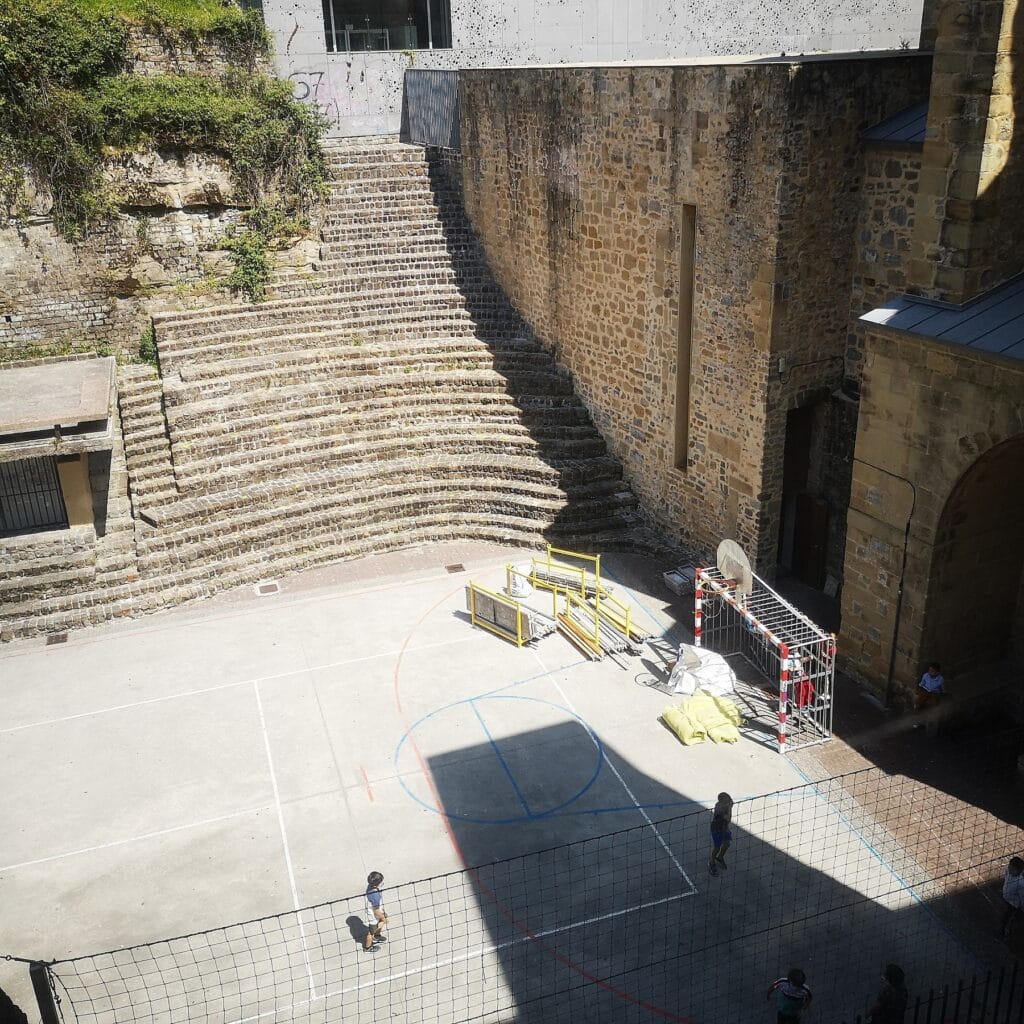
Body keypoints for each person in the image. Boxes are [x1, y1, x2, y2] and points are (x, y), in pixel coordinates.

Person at [708, 792, 733, 876]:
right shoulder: (719, 808)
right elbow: (728, 819)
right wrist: (730, 808)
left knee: (727, 843)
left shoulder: (724, 805)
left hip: (724, 828)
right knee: (717, 847)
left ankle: (720, 857)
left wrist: (729, 806)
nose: (730, 801)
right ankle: (711, 862)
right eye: (728, 800)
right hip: (717, 829)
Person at [999, 856, 1024, 940]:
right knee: (1009, 916)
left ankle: (1004, 933)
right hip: (1007, 898)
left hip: (1013, 904)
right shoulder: (1008, 872)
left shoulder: (1020, 883)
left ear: (1019, 871)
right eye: (1010, 867)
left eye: (1013, 869)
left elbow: (1022, 896)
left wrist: (1022, 906)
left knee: (1007, 918)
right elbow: (1006, 880)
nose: (1010, 869)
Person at [363, 870, 387, 952]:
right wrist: (383, 918)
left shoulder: (370, 886)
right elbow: (376, 911)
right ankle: (367, 948)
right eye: (381, 881)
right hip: (373, 916)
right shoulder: (375, 896)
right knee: (370, 933)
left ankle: (377, 935)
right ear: (376, 884)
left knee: (381, 922)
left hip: (378, 911)